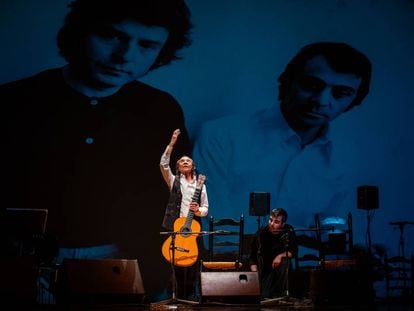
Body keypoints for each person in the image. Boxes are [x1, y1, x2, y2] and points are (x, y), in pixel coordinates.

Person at [0, 0, 193, 302]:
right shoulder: (12, 101)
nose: (124, 56)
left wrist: (159, 277)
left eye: (146, 44)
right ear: (80, 32)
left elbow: (173, 200)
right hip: (17, 271)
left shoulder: (161, 110)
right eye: (112, 35)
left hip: (123, 272)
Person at [192, 41, 372, 234]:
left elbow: (332, 231)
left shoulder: (344, 157)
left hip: (304, 262)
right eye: (311, 85)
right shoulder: (220, 136)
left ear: (354, 101)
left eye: (341, 93)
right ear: (287, 82)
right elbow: (216, 232)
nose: (321, 101)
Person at [160, 128, 209, 300]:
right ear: (178, 167)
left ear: (193, 166)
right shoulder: (174, 181)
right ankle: (175, 296)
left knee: (193, 264)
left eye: (188, 160)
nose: (185, 161)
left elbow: (205, 208)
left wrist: (198, 211)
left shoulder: (200, 185)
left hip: (193, 227)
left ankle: (191, 296)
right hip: (176, 226)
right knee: (174, 264)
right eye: (182, 161)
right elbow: (163, 164)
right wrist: (172, 143)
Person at [249, 208, 297, 299]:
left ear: (283, 224)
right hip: (264, 271)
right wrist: (254, 274)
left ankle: (283, 296)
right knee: (265, 295)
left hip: (281, 270)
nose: (271, 224)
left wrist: (280, 256)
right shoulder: (261, 234)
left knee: (285, 261)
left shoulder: (288, 230)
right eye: (270, 220)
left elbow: (293, 251)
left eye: (276, 222)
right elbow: (252, 257)